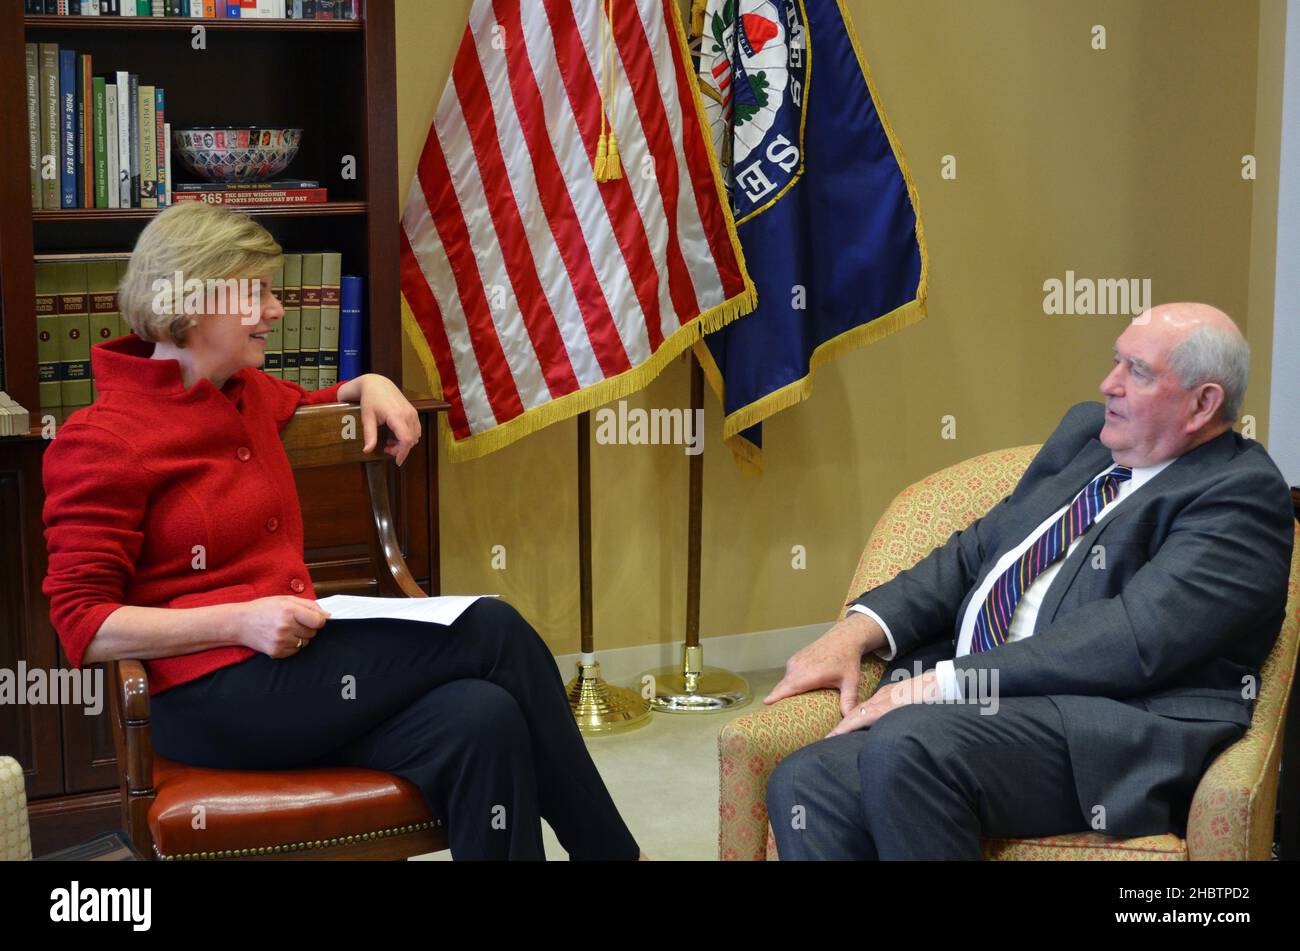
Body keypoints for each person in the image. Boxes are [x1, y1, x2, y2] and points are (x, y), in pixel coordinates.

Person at [41, 201, 642, 861]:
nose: (276, 310)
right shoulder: (100, 438)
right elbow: (84, 623)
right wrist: (238, 620)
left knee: (482, 718)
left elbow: (313, 403)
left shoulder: (245, 393)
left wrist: (372, 381)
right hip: (214, 698)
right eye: (259, 293)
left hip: (298, 680)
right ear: (194, 299)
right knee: (493, 629)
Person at [764, 303, 1294, 860]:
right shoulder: (1087, 440)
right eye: (1115, 361)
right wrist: (855, 631)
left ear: (1203, 403)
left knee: (911, 744)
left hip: (1112, 727)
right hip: (982, 716)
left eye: (1137, 372)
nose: (1107, 384)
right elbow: (974, 555)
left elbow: (1134, 638)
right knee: (805, 781)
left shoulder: (1240, 494)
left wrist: (947, 683)